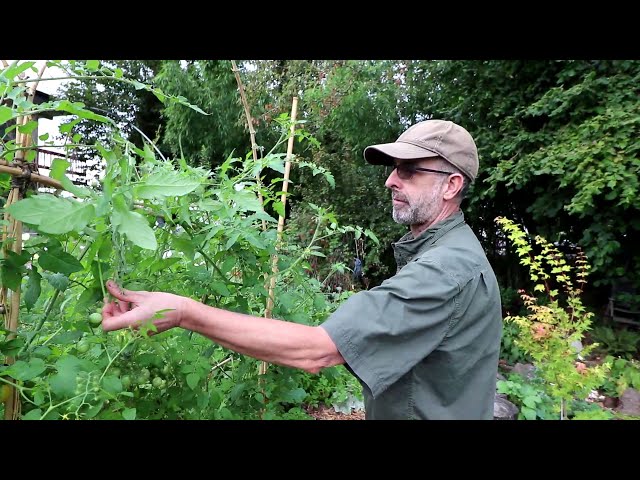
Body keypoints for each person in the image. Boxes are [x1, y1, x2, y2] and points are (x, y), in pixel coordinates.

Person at [101, 119, 503, 420]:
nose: (390, 181)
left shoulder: (446, 270)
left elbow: (318, 349)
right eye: (393, 168)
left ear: (451, 185)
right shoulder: (449, 252)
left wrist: (186, 312)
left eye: (409, 170)